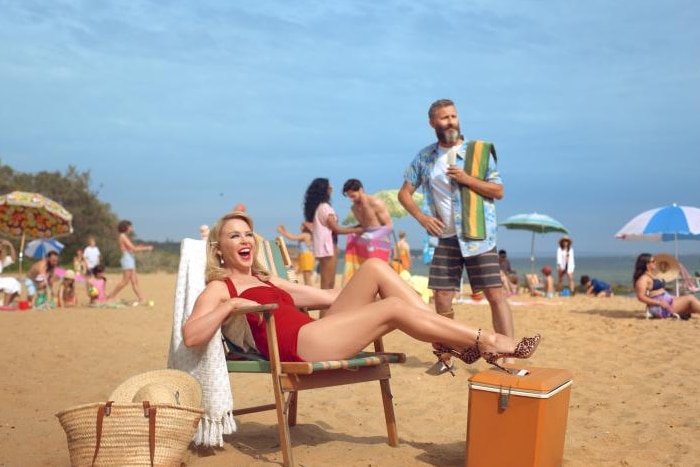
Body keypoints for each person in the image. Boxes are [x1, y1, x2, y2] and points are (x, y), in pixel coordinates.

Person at [182, 211, 540, 374]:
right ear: (218, 250)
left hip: (319, 330)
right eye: (234, 236)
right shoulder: (220, 287)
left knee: (374, 269)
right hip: (300, 346)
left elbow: (328, 298)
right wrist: (230, 304)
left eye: (247, 235)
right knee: (394, 308)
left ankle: (444, 341)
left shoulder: (269, 282)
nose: (244, 241)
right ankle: (486, 340)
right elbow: (192, 335)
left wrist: (372, 290)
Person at [398, 98, 515, 373]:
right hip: (446, 238)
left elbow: (498, 191)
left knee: (495, 295)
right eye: (443, 118)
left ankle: (508, 354)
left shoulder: (479, 152)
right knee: (441, 298)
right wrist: (422, 217)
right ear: (432, 123)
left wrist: (467, 179)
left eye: (453, 116)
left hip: (478, 236)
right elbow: (404, 193)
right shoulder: (425, 157)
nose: (450, 121)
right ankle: (448, 355)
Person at [303, 178, 362, 291]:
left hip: (324, 247)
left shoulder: (319, 208)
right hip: (328, 248)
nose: (332, 189)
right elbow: (336, 229)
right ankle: (324, 309)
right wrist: (357, 230)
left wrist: (355, 228)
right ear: (324, 190)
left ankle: (325, 308)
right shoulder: (325, 208)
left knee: (327, 283)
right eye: (330, 187)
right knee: (328, 284)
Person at [342, 179, 394, 282]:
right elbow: (364, 224)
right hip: (365, 242)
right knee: (365, 274)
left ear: (361, 190)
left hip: (380, 241)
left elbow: (389, 226)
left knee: (380, 274)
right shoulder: (354, 208)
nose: (351, 199)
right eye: (349, 197)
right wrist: (351, 230)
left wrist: (373, 236)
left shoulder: (375, 203)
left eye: (353, 196)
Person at [633, 253, 700, 319]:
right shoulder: (643, 279)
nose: (655, 263)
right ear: (647, 264)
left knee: (691, 306)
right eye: (653, 261)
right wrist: (659, 303)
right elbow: (641, 297)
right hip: (660, 307)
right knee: (690, 298)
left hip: (668, 301)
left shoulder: (652, 275)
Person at [107, 220, 153, 304]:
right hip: (127, 260)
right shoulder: (122, 236)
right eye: (130, 227)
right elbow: (133, 249)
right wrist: (147, 248)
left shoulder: (123, 236)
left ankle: (141, 299)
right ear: (125, 227)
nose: (131, 229)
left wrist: (139, 247)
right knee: (125, 281)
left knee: (135, 281)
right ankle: (111, 296)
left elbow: (131, 249)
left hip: (130, 259)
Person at [0, 239, 21, 306]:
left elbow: (13, 258)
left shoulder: (1, 260)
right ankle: (5, 305)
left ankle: (6, 304)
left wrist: (10, 245)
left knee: (16, 283)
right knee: (12, 282)